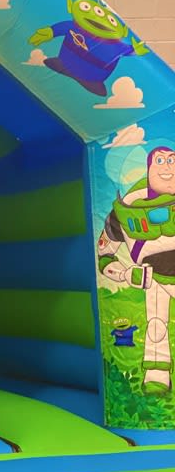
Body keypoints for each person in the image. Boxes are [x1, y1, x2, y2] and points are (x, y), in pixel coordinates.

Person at [98, 146, 175, 394]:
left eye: (172, 160)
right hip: (153, 278)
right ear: (149, 168)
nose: (167, 166)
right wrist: (125, 274)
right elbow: (104, 255)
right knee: (156, 325)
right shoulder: (126, 212)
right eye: (160, 161)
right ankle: (156, 374)